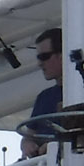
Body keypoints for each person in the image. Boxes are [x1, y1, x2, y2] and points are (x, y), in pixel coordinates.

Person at [20, 28, 67, 158]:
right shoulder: (43, 97)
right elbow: (29, 136)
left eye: (44, 57)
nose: (39, 63)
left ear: (62, 55)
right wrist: (27, 145)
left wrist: (55, 146)